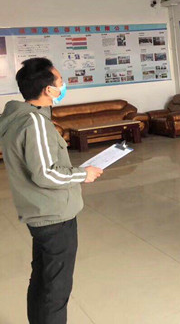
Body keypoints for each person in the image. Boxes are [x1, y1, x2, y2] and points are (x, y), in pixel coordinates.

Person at [0, 58, 103, 324]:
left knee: (43, 280)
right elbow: (45, 173)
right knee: (55, 290)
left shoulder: (18, 117)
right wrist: (83, 174)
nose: (63, 85)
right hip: (54, 216)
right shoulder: (34, 122)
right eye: (60, 81)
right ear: (48, 89)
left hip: (40, 212)